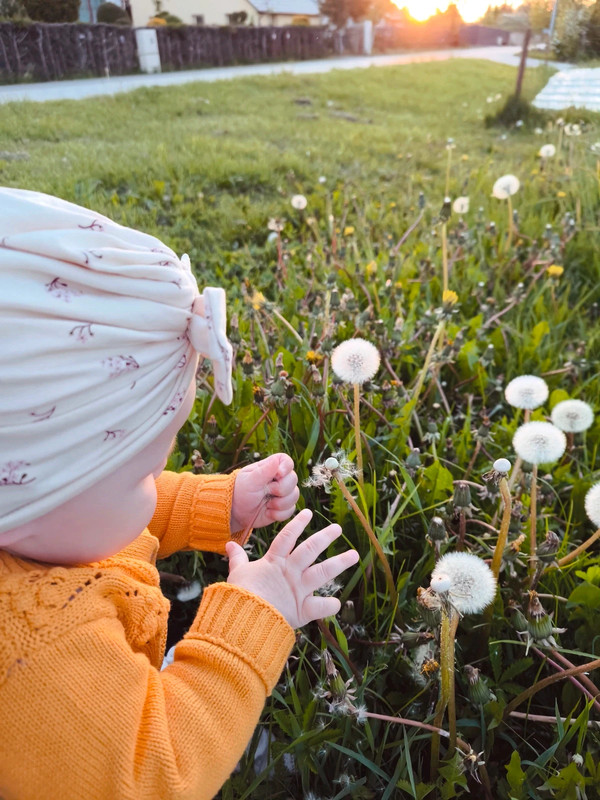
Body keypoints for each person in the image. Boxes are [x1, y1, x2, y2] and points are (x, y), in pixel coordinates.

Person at [0, 188, 359, 800]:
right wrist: (253, 615)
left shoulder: (41, 523)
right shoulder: (37, 664)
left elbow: (95, 516)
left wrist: (214, 503)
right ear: (27, 499)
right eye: (145, 471)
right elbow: (156, 771)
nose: (157, 481)